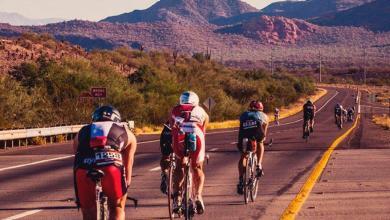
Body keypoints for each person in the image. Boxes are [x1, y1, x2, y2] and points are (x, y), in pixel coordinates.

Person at [73, 105, 137, 220]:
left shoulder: (83, 131)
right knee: (117, 207)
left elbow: (77, 157)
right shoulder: (126, 132)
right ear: (117, 119)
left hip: (84, 167)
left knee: (87, 211)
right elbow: (128, 164)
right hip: (111, 167)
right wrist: (126, 185)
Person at [169, 91, 209, 214]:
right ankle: (197, 195)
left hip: (180, 135)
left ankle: (177, 198)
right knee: (197, 167)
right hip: (196, 135)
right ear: (196, 101)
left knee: (179, 167)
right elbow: (203, 129)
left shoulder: (175, 109)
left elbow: (172, 128)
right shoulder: (201, 111)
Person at [237, 100, 269, 195]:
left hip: (244, 135)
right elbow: (264, 131)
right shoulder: (263, 116)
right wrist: (263, 138)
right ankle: (259, 164)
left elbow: (241, 127)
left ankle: (241, 180)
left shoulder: (244, 115)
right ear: (261, 109)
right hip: (257, 134)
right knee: (260, 142)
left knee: (243, 156)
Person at [159, 121, 172, 194]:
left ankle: (164, 173)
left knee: (165, 156)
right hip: (184, 130)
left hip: (168, 129)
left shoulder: (174, 110)